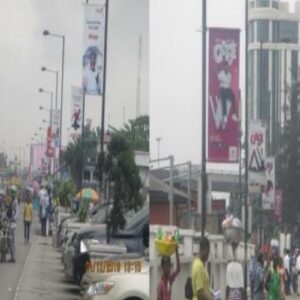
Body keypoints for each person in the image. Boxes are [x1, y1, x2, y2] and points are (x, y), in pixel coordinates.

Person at [217, 60, 238, 130]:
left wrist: (224, 82)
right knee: (224, 99)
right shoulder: (221, 73)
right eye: (225, 66)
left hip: (227, 88)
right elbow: (220, 79)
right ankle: (224, 116)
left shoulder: (230, 75)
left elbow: (227, 82)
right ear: (224, 67)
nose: (227, 67)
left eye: (227, 66)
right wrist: (223, 82)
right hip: (223, 89)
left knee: (233, 96)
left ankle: (234, 114)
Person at [6, 186, 19, 263]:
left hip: (12, 223)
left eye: (11, 192)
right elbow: (8, 211)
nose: (10, 193)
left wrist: (14, 218)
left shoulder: (15, 201)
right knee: (9, 239)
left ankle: (13, 257)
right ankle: (11, 256)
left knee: (11, 240)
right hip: (9, 221)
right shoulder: (12, 201)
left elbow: (17, 212)